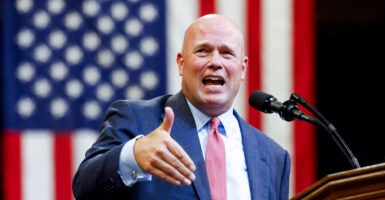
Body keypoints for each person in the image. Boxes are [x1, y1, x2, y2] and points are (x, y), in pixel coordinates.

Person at [72, 14, 290, 200]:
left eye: (226, 53)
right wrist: (133, 156)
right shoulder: (137, 119)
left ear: (242, 69)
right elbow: (84, 188)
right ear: (181, 63)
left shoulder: (273, 156)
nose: (215, 62)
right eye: (203, 51)